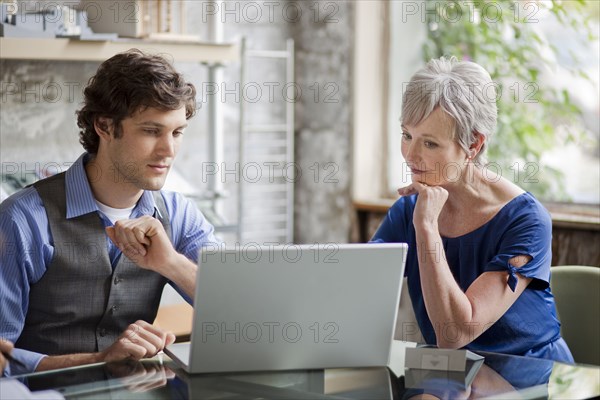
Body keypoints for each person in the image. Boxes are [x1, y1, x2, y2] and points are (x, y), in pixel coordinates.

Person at [0, 49, 218, 376]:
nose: (168, 151)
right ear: (104, 125)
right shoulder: (22, 220)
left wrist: (170, 262)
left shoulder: (179, 213)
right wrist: (99, 361)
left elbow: (242, 316)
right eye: (151, 131)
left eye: (176, 132)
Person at [372, 57, 573, 362]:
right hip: (449, 376)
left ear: (474, 145)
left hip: (528, 375)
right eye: (407, 135)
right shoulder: (408, 210)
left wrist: (426, 228)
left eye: (430, 144)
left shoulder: (526, 220)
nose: (410, 155)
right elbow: (358, 288)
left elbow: (454, 335)